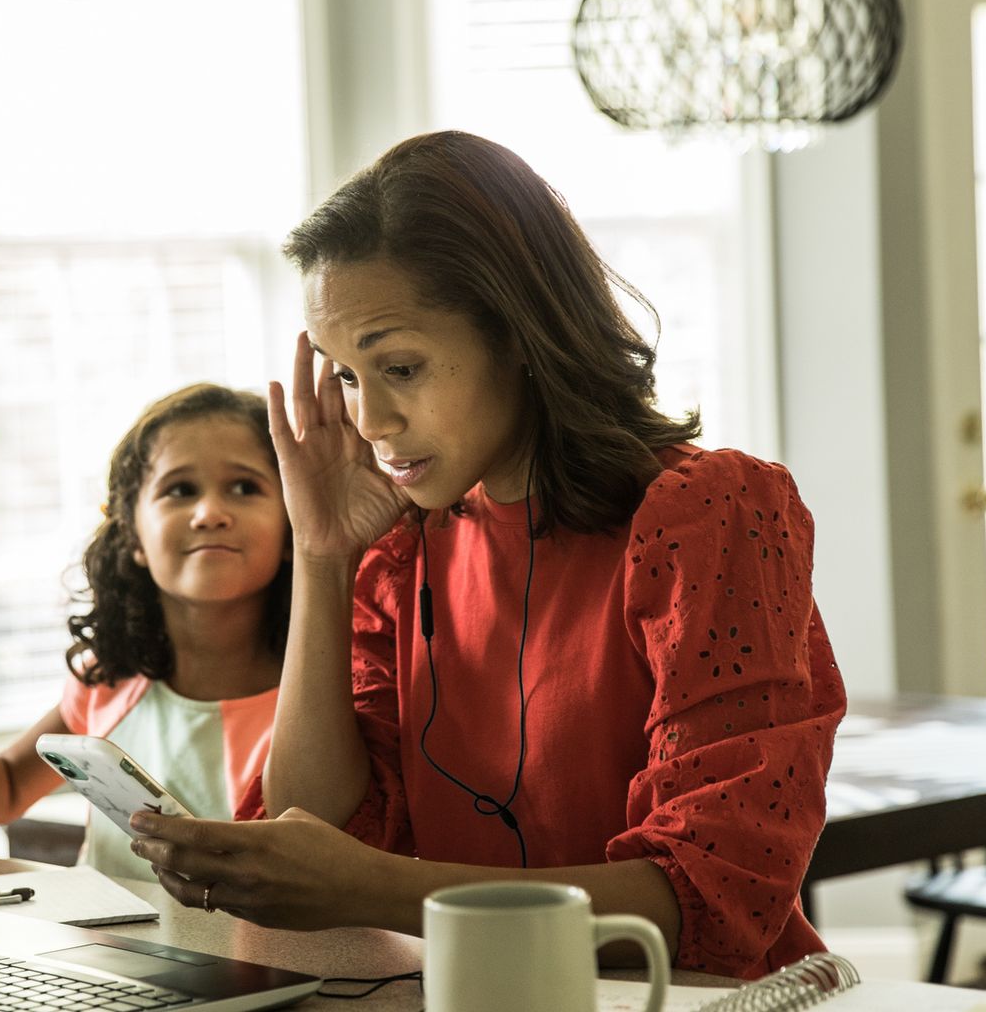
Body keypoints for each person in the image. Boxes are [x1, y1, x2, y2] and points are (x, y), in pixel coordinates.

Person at [126, 131, 846, 981]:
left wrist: (378, 890)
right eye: (347, 377)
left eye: (399, 365)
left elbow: (708, 897)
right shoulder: (400, 549)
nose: (369, 420)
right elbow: (310, 820)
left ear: (518, 334)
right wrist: (322, 555)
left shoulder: (707, 512)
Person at [0, 384, 292, 881]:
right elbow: (4, 786)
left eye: (244, 487)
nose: (209, 513)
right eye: (180, 490)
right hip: (107, 952)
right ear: (133, 535)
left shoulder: (318, 698)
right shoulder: (106, 678)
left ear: (292, 528)